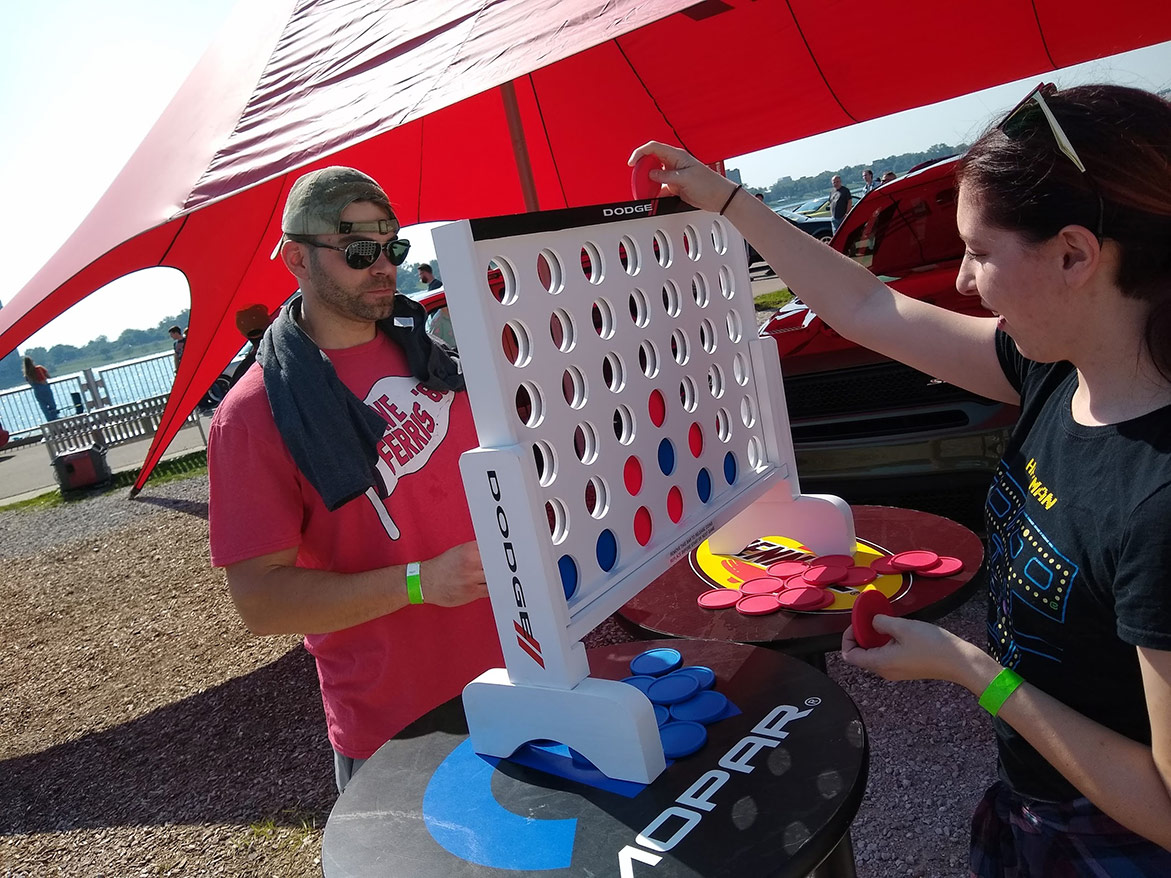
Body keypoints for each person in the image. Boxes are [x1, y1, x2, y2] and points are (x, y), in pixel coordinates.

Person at [630, 81, 1171, 872]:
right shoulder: (1053, 371)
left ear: (1073, 254)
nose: (959, 281)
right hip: (1035, 806)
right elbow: (867, 308)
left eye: (979, 254)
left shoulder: (1155, 503)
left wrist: (969, 671)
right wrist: (728, 203)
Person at [207, 166, 501, 794]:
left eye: (392, 246)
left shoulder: (434, 353)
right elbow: (259, 600)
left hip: (525, 674)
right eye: (358, 249)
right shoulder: (255, 414)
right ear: (295, 259)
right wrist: (421, 583)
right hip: (399, 728)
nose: (383, 265)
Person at [22, 355, 59, 421]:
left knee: (43, 406)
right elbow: (48, 376)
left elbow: (30, 382)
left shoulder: (27, 374)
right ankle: (55, 419)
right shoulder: (39, 368)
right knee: (52, 404)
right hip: (45, 387)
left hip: (37, 390)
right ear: (32, 361)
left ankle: (50, 421)